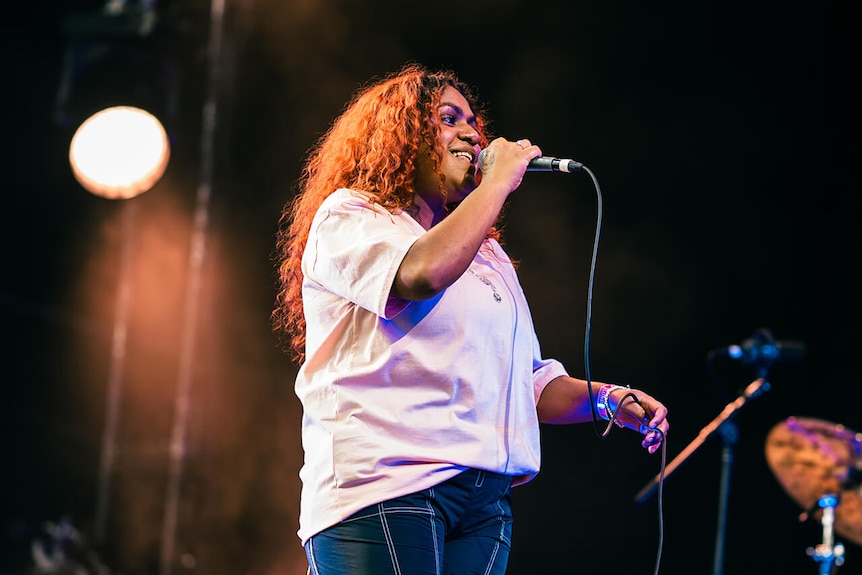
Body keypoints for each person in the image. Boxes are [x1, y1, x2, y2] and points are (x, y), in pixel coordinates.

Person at [272, 63, 670, 575]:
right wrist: (499, 182)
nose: (470, 131)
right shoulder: (352, 216)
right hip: (387, 486)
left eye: (472, 121)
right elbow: (418, 274)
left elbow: (526, 384)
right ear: (399, 137)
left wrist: (607, 398)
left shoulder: (487, 258)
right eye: (446, 118)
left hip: (484, 504)